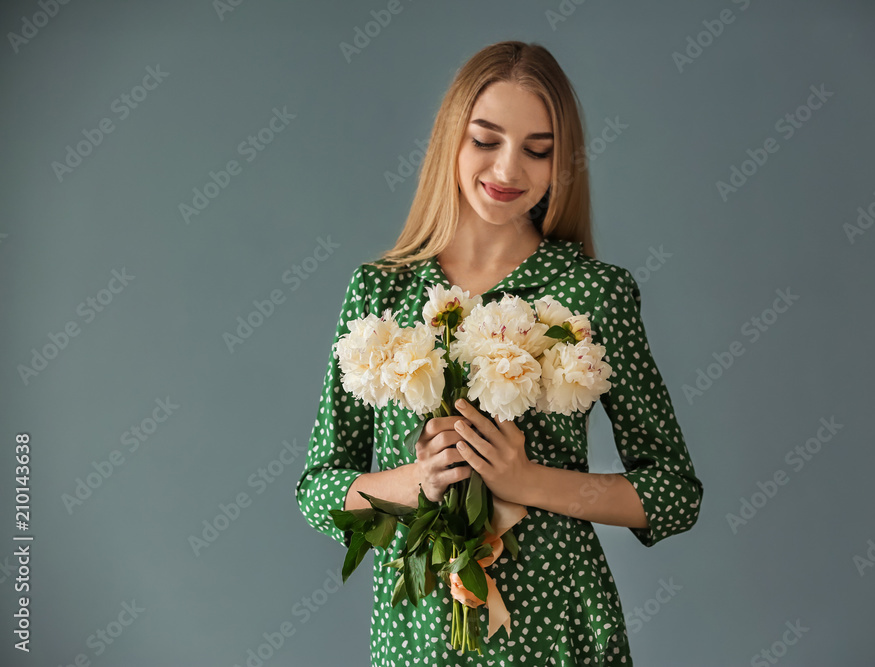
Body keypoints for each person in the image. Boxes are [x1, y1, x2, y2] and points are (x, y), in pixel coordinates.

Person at [295, 40, 704, 666]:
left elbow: (673, 494)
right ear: (449, 141)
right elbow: (319, 491)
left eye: (538, 150)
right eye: (486, 140)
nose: (510, 170)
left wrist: (529, 482)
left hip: (558, 629)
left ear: (561, 161)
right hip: (419, 639)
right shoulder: (381, 292)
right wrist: (419, 481)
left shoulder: (593, 293)